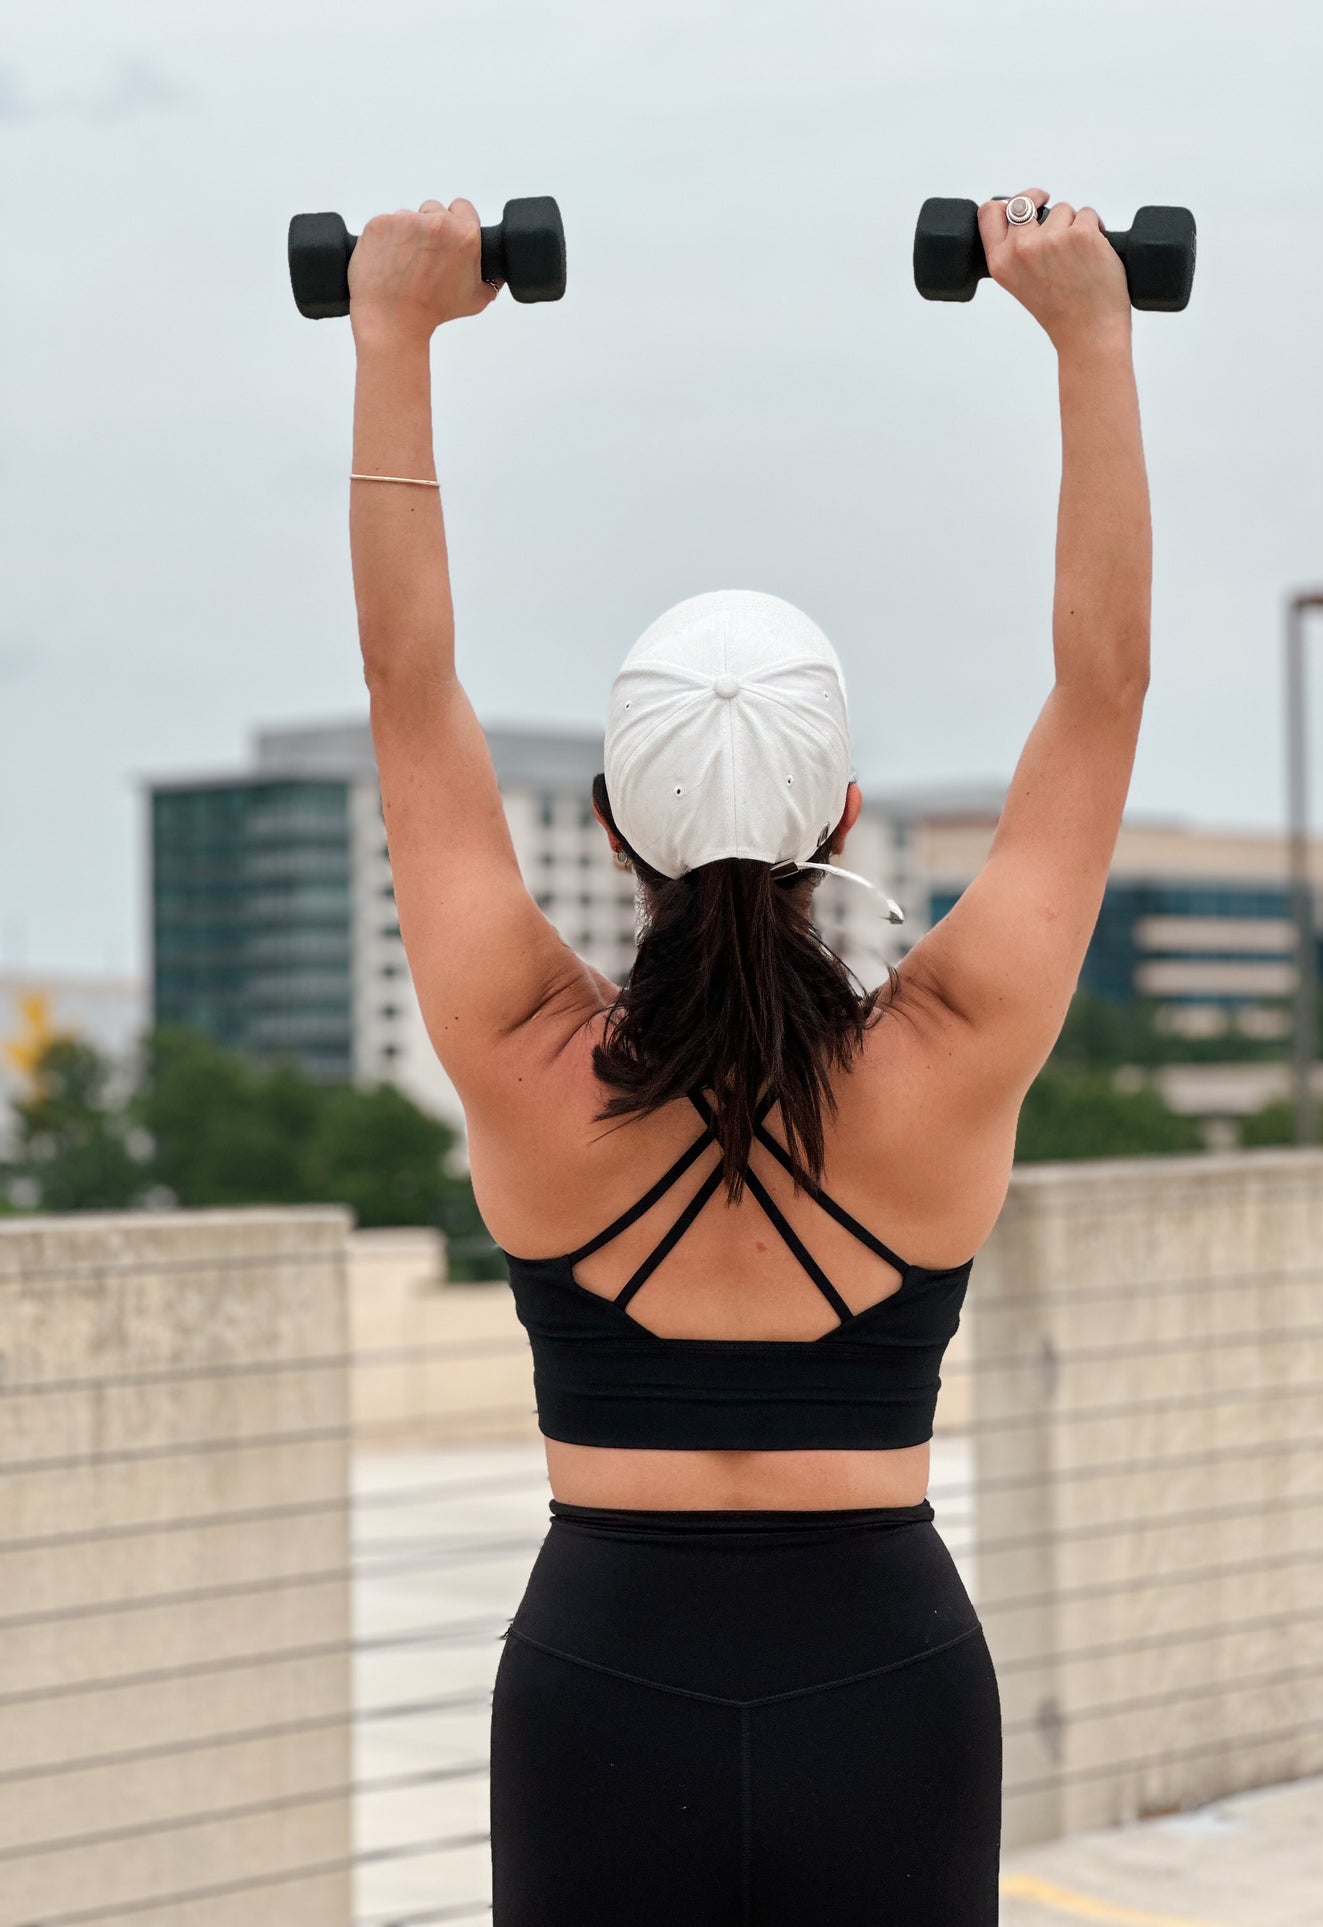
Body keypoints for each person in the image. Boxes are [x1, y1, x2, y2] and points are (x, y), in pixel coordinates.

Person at [346, 183, 1149, 1926]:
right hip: (887, 1685)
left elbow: (411, 692)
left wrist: (393, 330)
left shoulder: (520, 1049)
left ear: (610, 828)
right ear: (842, 812)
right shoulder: (948, 1053)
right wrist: (1091, 334)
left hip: (596, 1684)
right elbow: (1098, 693)